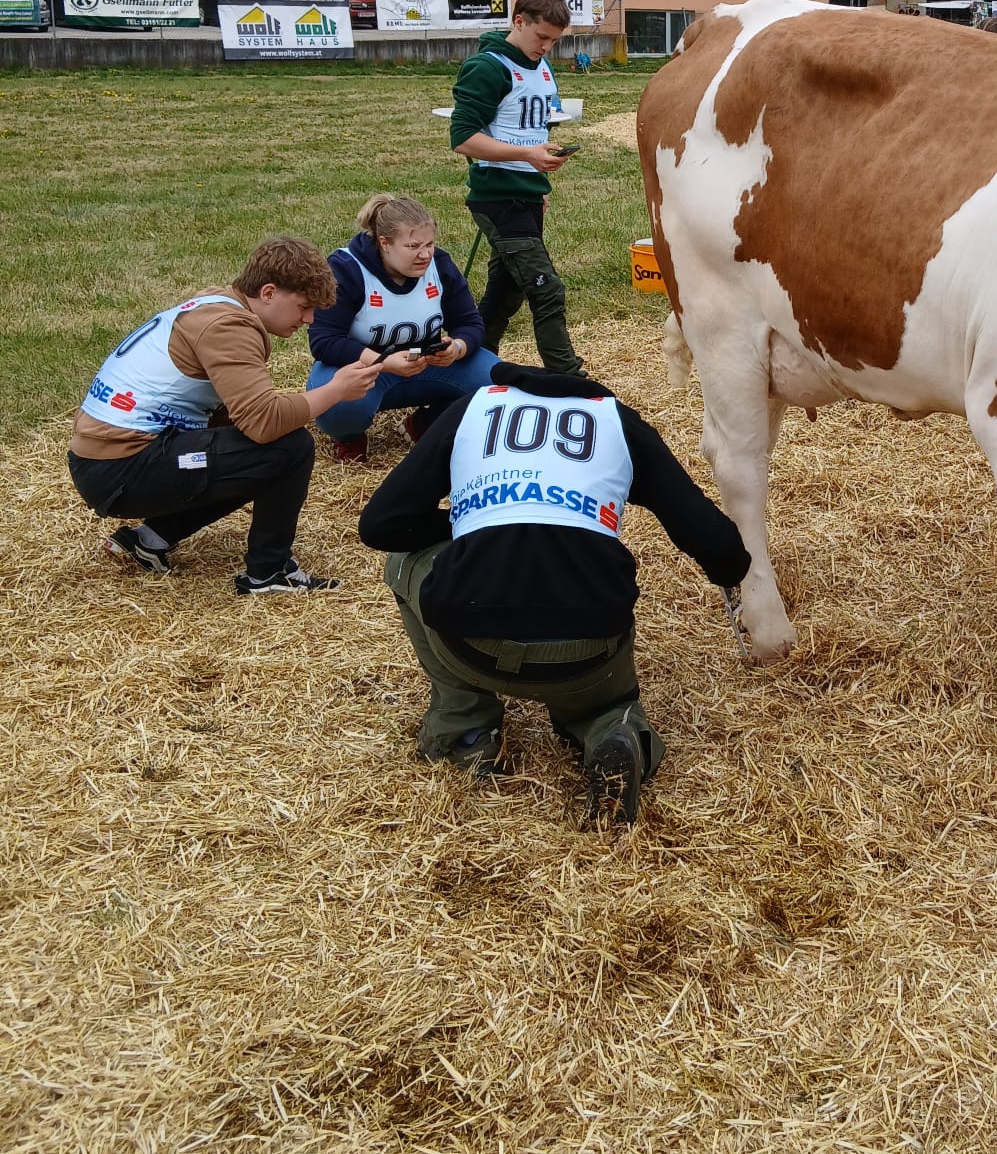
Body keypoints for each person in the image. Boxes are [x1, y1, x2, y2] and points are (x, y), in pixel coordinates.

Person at [358, 360, 751, 823]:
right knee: (605, 701)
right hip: (586, 650)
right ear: (592, 395)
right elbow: (723, 551)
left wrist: (472, 519)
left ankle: (464, 730)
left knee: (402, 561)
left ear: (508, 385)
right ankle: (610, 730)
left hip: (468, 639)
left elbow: (379, 525)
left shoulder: (473, 409)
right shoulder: (618, 422)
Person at [68, 237, 380, 593]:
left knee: (249, 451)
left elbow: (238, 418)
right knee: (288, 448)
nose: (309, 319)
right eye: (304, 306)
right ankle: (268, 572)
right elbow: (264, 423)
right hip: (121, 470)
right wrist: (336, 390)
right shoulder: (228, 327)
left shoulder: (216, 303)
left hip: (107, 460)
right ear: (268, 292)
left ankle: (150, 539)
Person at [449, 0, 583, 374]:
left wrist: (541, 169)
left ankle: (467, 366)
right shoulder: (487, 67)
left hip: (527, 194)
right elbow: (463, 139)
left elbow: (529, 130)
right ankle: (567, 378)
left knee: (504, 295)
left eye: (554, 41)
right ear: (518, 21)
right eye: (542, 37)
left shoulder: (541, 67)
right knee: (547, 290)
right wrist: (527, 156)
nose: (547, 47)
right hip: (497, 198)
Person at [306, 193, 499, 463]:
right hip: (367, 367)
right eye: (413, 246)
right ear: (384, 243)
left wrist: (456, 347)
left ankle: (429, 423)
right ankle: (349, 437)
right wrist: (383, 362)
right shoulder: (347, 268)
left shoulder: (439, 265)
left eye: (429, 244)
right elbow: (323, 341)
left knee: (495, 381)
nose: (425, 254)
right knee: (340, 406)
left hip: (427, 362)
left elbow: (470, 323)